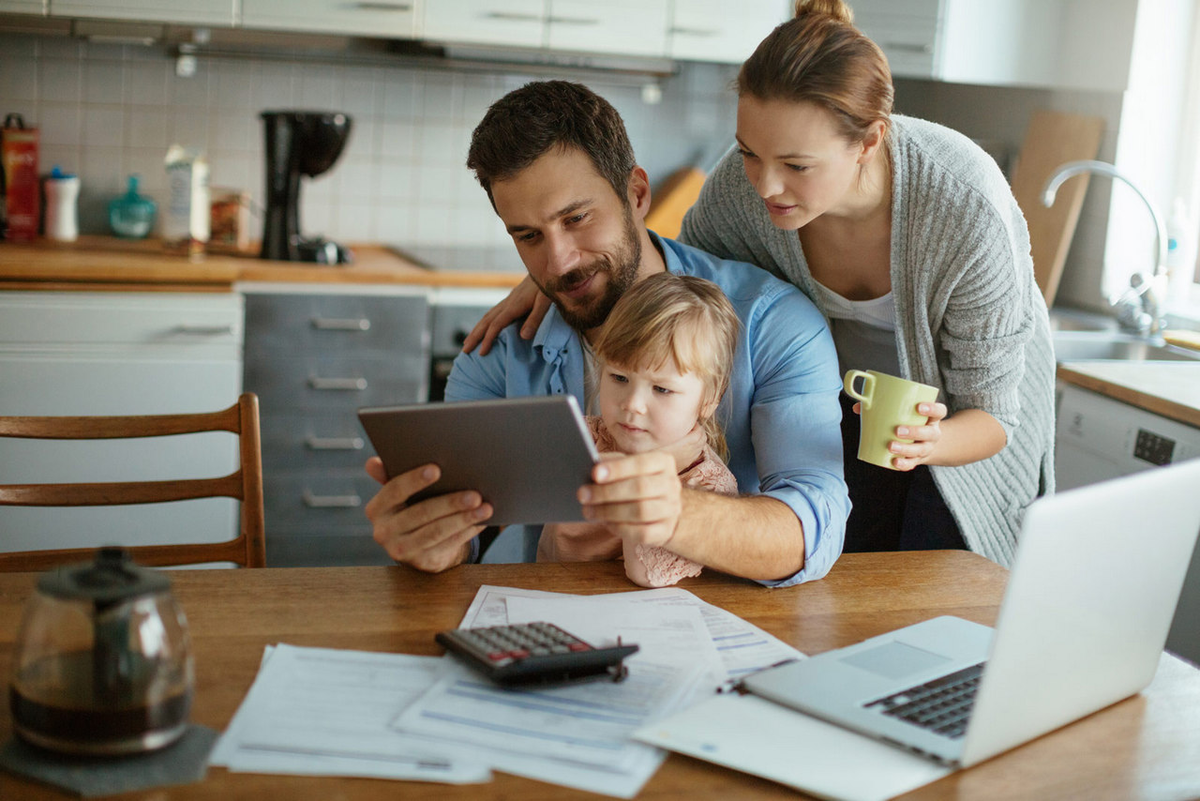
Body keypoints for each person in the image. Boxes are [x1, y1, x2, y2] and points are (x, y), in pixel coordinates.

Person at [462, 2, 1056, 567]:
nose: (766, 186)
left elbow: (995, 414)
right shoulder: (738, 194)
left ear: (870, 142)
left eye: (796, 166)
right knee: (851, 578)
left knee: (946, 586)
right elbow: (679, 277)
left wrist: (927, 444)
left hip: (964, 420)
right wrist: (560, 280)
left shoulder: (963, 203)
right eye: (749, 153)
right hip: (851, 407)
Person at [364, 80, 849, 587]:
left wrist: (675, 514)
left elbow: (815, 526)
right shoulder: (500, 349)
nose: (558, 262)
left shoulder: (772, 324)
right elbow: (466, 529)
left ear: (636, 194)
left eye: (577, 218)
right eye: (527, 236)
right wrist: (434, 541)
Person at [538, 272, 741, 588]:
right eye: (619, 378)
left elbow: (646, 575)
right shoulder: (587, 439)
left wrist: (646, 470)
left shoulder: (708, 486)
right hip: (552, 596)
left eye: (661, 389)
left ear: (709, 399)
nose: (632, 404)